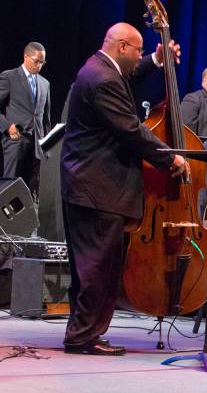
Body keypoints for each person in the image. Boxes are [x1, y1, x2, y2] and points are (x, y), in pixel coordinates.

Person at [60, 23, 186, 356]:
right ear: (122, 47)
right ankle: (82, 337)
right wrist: (169, 157)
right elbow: (131, 130)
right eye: (139, 51)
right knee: (96, 268)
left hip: (92, 187)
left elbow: (126, 78)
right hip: (96, 187)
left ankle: (85, 333)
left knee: (95, 267)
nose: (140, 57)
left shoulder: (101, 69)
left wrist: (156, 62)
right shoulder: (102, 80)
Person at [0, 42, 52, 197]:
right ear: (26, 56)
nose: (39, 65)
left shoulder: (45, 83)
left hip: (37, 144)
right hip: (16, 140)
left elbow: (45, 118)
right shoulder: (9, 77)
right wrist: (7, 126)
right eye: (37, 61)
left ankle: (27, 221)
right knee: (10, 187)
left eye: (42, 62)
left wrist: (48, 143)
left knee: (31, 189)